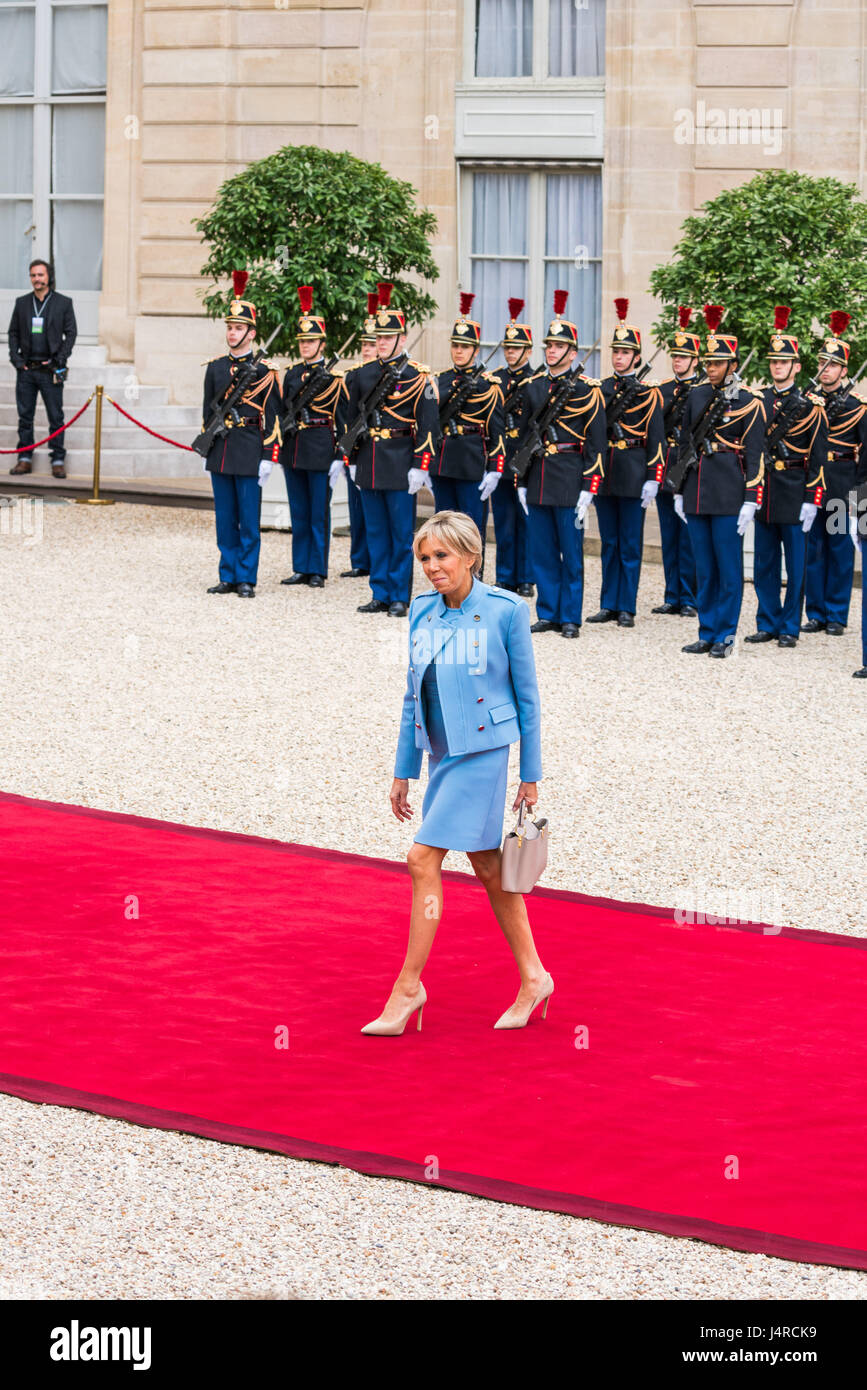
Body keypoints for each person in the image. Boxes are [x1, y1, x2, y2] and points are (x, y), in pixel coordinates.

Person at [361, 510, 549, 1036]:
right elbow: (411, 695)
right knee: (490, 868)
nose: (432, 567)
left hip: (485, 753)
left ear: (471, 555)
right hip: (442, 754)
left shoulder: (507, 611)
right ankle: (535, 977)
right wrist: (404, 769)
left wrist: (529, 774)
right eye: (425, 558)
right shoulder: (421, 611)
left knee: (421, 857)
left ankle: (407, 988)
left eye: (442, 556)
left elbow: (528, 698)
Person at [335, 281, 439, 617]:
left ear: (402, 339)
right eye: (377, 338)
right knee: (376, 532)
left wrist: (420, 465)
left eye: (387, 338)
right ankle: (379, 591)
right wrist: (350, 460)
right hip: (369, 461)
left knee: (399, 534)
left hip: (399, 461)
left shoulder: (418, 378)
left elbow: (428, 425)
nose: (380, 344)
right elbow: (349, 421)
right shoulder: (360, 376)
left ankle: (399, 595)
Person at [675, 305, 766, 657]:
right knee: (705, 568)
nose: (710, 368)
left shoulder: (750, 401)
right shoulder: (696, 395)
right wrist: (680, 490)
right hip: (698, 490)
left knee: (728, 570)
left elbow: (756, 454)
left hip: (730, 493)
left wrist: (751, 498)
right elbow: (685, 443)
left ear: (732, 364)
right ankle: (707, 630)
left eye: (717, 363)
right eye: (707, 363)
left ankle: (726, 636)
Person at [514, 290, 606, 638]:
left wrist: (589, 489)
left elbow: (597, 445)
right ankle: (549, 612)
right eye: (549, 346)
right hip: (538, 476)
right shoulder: (534, 387)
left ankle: (571, 617)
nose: (551, 350)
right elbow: (523, 437)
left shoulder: (588, 390)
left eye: (558, 346)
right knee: (542, 553)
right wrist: (520, 483)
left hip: (570, 476)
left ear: (573, 352)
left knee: (571, 554)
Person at [745, 307, 826, 649]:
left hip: (795, 489)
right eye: (773, 361)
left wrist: (813, 499)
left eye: (784, 362)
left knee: (796, 566)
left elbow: (819, 458)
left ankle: (790, 625)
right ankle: (767, 621)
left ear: (797, 366)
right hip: (765, 490)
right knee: (764, 563)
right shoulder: (757, 399)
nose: (777, 366)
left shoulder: (812, 406)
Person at [200, 272, 281, 598]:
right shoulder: (216, 368)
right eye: (230, 328)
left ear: (251, 333)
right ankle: (228, 574)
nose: (232, 333)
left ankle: (246, 577)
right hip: (221, 447)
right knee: (225, 519)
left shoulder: (265, 371)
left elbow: (273, 417)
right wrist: (205, 446)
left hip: (249, 447)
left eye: (238, 328)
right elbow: (207, 411)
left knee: (248, 520)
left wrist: (268, 456)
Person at [588, 297, 665, 628]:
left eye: (624, 353)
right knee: (609, 542)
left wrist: (654, 477)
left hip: (634, 471)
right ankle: (608, 602)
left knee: (631, 544)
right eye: (615, 352)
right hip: (606, 472)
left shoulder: (650, 393)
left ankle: (627, 606)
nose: (618, 357)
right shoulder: (599, 389)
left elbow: (657, 439)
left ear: (636, 357)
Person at [802, 312, 867, 638]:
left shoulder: (857, 406)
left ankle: (836, 615)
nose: (825, 370)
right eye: (822, 364)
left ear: (843, 370)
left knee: (840, 552)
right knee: (812, 550)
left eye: (832, 365)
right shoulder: (807, 402)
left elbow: (865, 453)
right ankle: (814, 612)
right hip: (813, 482)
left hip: (842, 483)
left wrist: (860, 498)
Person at [280, 286, 345, 589]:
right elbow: (283, 412)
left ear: (322, 343)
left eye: (311, 341)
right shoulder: (292, 374)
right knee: (299, 511)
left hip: (320, 448)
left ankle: (317, 569)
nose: (305, 346)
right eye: (302, 341)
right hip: (294, 449)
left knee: (319, 512)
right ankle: (300, 566)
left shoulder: (333, 378)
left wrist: (339, 458)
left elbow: (342, 421)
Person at [430, 293, 505, 534]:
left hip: (471, 463)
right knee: (444, 529)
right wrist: (423, 464)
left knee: (471, 530)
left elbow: (497, 431)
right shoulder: (439, 381)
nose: (459, 351)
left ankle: (473, 574)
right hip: (441, 463)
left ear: (475, 349)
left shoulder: (488, 385)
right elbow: (428, 424)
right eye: (455, 346)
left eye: (465, 347)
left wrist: (495, 468)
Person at [7, 259, 77, 478]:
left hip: (51, 370)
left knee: (56, 417)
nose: (37, 279)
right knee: (25, 416)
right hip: (27, 370)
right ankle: (24, 458)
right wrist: (17, 361)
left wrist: (60, 359)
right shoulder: (22, 303)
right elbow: (13, 333)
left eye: (40, 275)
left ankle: (57, 459)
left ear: (49, 277)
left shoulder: (63, 303)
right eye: (33, 275)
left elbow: (71, 333)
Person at [653, 306, 699, 617]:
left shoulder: (703, 392)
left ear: (696, 361)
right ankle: (673, 594)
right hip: (666, 463)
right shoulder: (662, 390)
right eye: (675, 356)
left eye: (684, 357)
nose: (678, 360)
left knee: (689, 537)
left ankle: (690, 597)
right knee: (669, 534)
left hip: (690, 466)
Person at [490, 298, 537, 596]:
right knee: (504, 521)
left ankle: (526, 577)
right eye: (507, 348)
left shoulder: (536, 381)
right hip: (501, 459)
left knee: (528, 522)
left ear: (528, 351)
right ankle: (505, 575)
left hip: (527, 458)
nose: (510, 353)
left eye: (516, 348)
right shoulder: (495, 379)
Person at [334, 293, 377, 580]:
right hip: (357, 448)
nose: (366, 350)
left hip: (383, 447)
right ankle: (360, 560)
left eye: (372, 344)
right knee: (357, 506)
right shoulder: (352, 376)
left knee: (376, 511)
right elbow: (344, 416)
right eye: (364, 344)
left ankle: (377, 560)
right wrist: (344, 453)